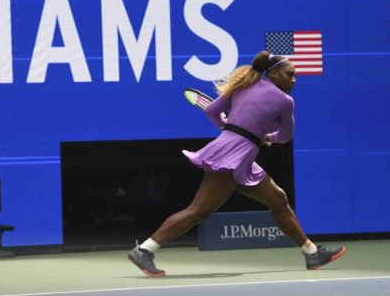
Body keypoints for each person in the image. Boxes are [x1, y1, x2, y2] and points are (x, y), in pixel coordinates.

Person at [127, 51, 347, 277]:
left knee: (278, 200)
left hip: (239, 154)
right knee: (198, 211)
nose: (294, 79)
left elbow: (212, 110)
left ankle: (312, 253)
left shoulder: (243, 87)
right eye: (289, 74)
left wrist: (224, 123)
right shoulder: (285, 101)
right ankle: (144, 250)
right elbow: (285, 136)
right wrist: (268, 137)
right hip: (232, 156)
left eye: (295, 75)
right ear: (272, 73)